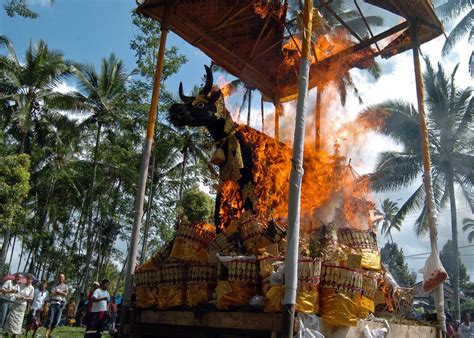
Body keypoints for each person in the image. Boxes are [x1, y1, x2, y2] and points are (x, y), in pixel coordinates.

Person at [45, 273, 68, 338]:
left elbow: (65, 294)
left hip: (61, 305)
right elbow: (51, 294)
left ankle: (50, 333)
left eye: (62, 277)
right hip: (53, 304)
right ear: (58, 278)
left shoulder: (66, 286)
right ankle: (46, 335)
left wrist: (58, 292)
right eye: (60, 277)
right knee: (50, 319)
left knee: (57, 320)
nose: (61, 278)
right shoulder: (54, 285)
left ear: (64, 278)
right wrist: (61, 292)